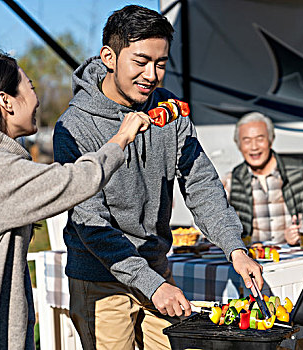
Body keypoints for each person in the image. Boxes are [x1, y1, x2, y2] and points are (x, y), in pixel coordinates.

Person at [52, 5, 263, 350]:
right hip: (101, 277)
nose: (152, 74)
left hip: (157, 268)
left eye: (161, 63)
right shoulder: (74, 127)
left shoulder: (172, 113)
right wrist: (151, 284)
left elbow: (202, 185)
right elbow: (91, 220)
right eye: (141, 61)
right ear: (108, 56)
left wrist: (235, 249)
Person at [0, 51, 151, 349]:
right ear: (5, 101)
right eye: (31, 87)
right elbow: (74, 181)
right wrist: (120, 138)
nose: (36, 100)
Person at [222, 112, 303, 245]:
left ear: (271, 140)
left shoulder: (301, 170)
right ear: (239, 145)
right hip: (254, 259)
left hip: (297, 256)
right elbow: (216, 219)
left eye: (260, 139)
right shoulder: (232, 180)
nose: (254, 147)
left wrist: (302, 229)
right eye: (246, 140)